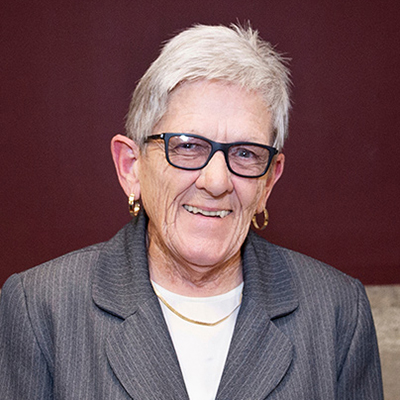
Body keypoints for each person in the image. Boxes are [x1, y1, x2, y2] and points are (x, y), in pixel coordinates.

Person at [0, 24, 383, 399]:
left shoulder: (336, 311)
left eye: (245, 153)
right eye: (187, 147)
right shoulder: (40, 308)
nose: (216, 182)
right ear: (131, 166)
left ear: (268, 181)